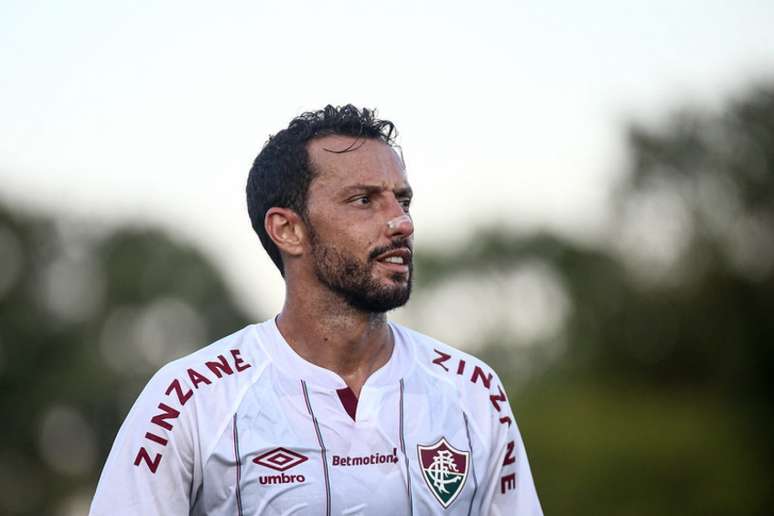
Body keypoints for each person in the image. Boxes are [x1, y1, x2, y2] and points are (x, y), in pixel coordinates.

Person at [89, 105, 543, 515]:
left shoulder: (473, 392)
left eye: (401, 200)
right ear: (287, 230)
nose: (402, 222)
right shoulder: (189, 400)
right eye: (364, 200)